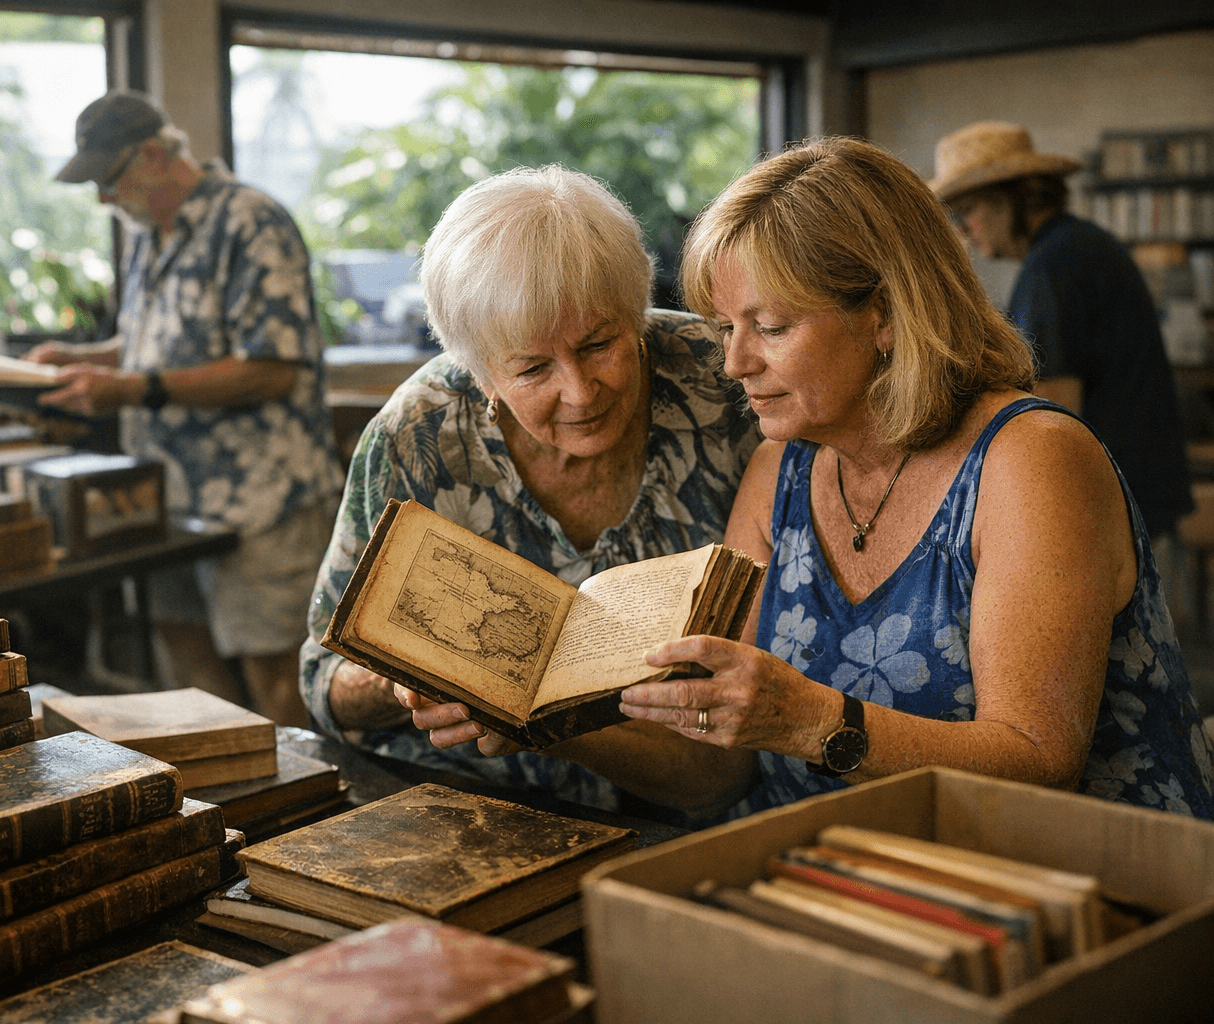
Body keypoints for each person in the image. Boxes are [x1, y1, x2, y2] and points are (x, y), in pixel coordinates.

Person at [615, 136, 1214, 821]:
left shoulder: (1031, 460)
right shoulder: (776, 473)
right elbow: (726, 764)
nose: (735, 363)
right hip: (831, 873)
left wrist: (811, 719)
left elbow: (1039, 761)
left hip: (1065, 882)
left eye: (772, 327)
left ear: (887, 316)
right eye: (726, 330)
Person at [300, 165, 763, 817]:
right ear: (483, 372)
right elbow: (322, 682)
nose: (579, 391)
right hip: (465, 803)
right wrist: (413, 675)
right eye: (533, 368)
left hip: (682, 800)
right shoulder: (417, 435)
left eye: (600, 344)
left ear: (637, 317)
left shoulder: (723, 385)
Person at [33, 90, 341, 727]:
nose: (102, 199)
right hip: (170, 505)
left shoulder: (252, 221)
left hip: (263, 503)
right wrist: (85, 358)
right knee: (195, 685)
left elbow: (271, 366)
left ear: (153, 156)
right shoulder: (148, 237)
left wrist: (131, 388)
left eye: (108, 180)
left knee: (279, 686)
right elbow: (158, 346)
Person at [931, 121, 1194, 541]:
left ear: (1007, 200)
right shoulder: (1080, 244)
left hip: (1110, 499)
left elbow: (1050, 414)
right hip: (1135, 485)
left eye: (967, 213)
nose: (963, 231)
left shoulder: (1051, 266)